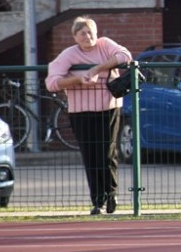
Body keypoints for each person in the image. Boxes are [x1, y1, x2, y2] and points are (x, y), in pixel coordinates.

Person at [46, 17, 132, 215]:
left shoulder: (105, 45)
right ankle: (98, 200)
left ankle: (111, 194)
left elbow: (125, 56)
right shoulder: (68, 54)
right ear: (75, 37)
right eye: (82, 33)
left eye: (90, 31)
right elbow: (52, 82)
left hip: (108, 107)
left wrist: (96, 69)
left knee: (107, 152)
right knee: (90, 155)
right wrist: (78, 79)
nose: (88, 36)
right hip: (80, 112)